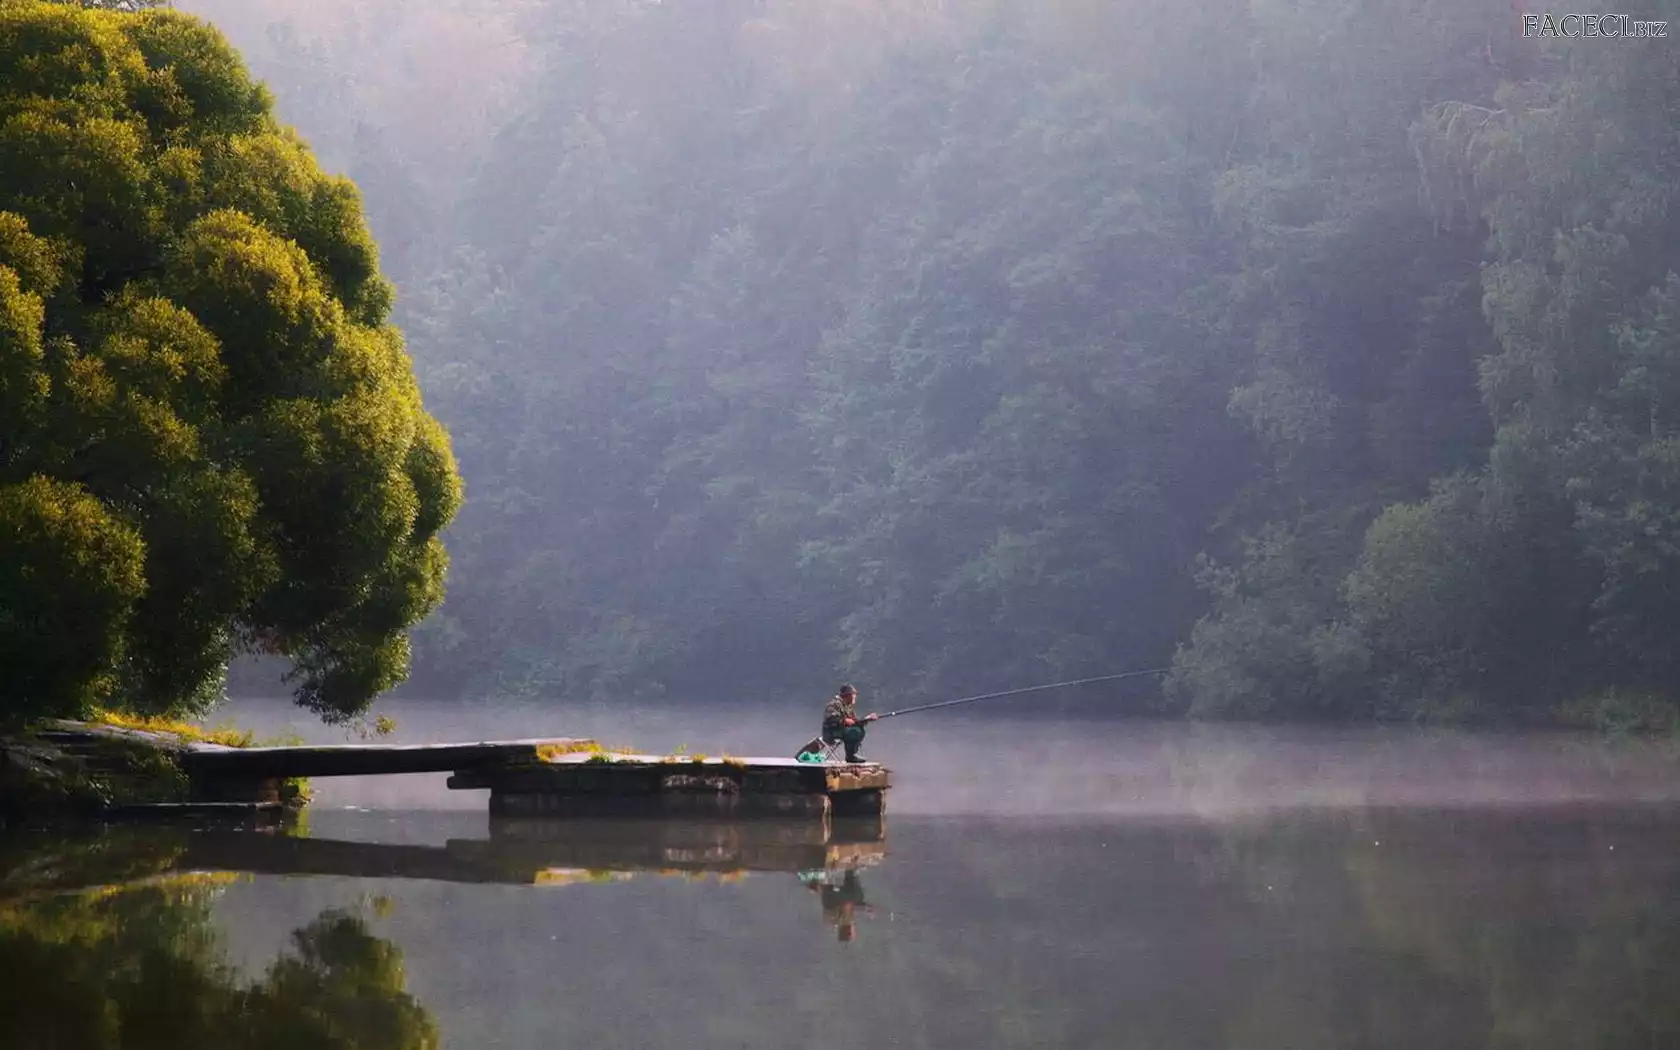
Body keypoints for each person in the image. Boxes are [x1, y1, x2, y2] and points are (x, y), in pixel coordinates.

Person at [821, 683, 878, 763]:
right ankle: (850, 757)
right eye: (853, 694)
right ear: (847, 695)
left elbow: (855, 721)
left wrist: (867, 719)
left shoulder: (848, 707)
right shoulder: (834, 704)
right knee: (854, 732)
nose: (855, 697)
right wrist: (844, 721)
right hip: (831, 733)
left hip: (841, 731)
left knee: (859, 730)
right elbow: (830, 719)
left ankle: (851, 755)